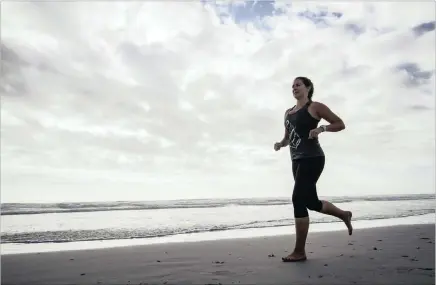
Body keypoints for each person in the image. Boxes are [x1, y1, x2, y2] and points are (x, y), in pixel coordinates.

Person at [274, 76, 353, 262]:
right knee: (310, 201)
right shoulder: (288, 113)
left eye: (298, 84)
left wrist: (322, 129)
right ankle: (343, 214)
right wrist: (280, 143)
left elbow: (340, 123)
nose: (294, 87)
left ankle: (299, 252)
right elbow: (288, 137)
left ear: (308, 88)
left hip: (313, 158)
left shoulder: (314, 107)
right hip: (297, 160)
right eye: (292, 85)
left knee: (297, 198)